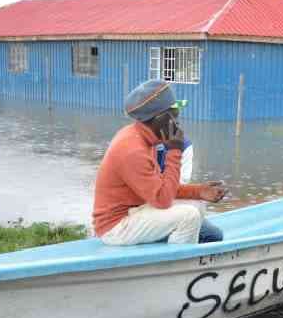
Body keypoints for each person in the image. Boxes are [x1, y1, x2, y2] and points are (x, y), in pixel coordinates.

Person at [93, 79, 227, 246]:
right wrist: (174, 151)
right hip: (117, 226)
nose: (177, 122)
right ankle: (177, 265)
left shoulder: (145, 138)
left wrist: (199, 191)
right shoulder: (133, 150)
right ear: (159, 118)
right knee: (189, 216)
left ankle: (178, 248)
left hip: (137, 210)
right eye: (174, 115)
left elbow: (160, 189)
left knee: (197, 205)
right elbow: (162, 200)